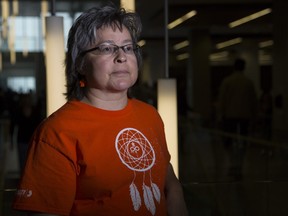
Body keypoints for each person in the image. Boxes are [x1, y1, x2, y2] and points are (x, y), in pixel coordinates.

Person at [13, 4, 188, 216]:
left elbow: (165, 174)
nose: (122, 56)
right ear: (80, 64)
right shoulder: (57, 132)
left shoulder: (150, 115)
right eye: (107, 48)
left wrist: (176, 191)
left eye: (128, 47)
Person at [218, 58, 257, 179]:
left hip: (230, 117)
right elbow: (253, 101)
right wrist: (254, 116)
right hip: (245, 116)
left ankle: (233, 164)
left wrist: (220, 115)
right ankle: (239, 165)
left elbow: (222, 100)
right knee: (242, 142)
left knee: (229, 142)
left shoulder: (228, 81)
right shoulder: (248, 82)